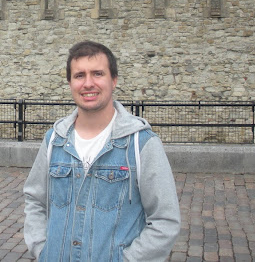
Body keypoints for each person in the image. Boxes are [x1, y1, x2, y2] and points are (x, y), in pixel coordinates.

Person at [23, 41, 180, 261]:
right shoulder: (54, 141)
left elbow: (165, 220)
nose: (88, 83)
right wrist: (42, 250)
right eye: (79, 75)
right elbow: (35, 200)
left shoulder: (142, 143)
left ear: (113, 80)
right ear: (70, 83)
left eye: (97, 74)